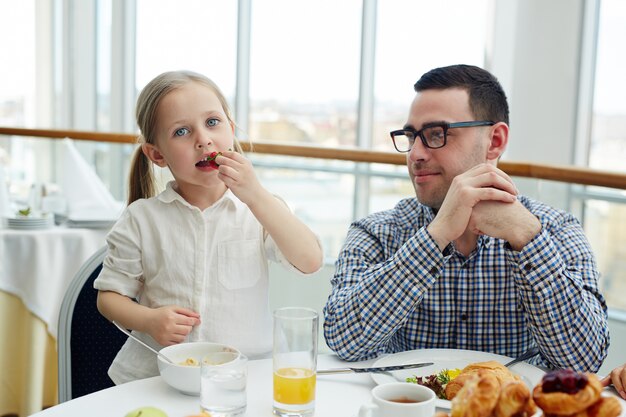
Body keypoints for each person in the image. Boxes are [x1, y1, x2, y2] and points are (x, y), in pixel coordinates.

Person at [323, 64, 609, 372]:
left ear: (495, 141)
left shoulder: (555, 230)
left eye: (437, 134)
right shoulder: (375, 232)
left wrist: (527, 238)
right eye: (411, 136)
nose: (415, 154)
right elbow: (344, 341)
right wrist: (435, 236)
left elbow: (584, 362)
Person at [94, 70, 323, 384]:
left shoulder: (259, 209)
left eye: (212, 122)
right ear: (156, 154)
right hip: (156, 379)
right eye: (182, 132)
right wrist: (148, 319)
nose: (203, 139)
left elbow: (310, 261)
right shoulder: (141, 219)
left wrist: (256, 194)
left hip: (241, 377)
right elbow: (108, 298)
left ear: (231, 128)